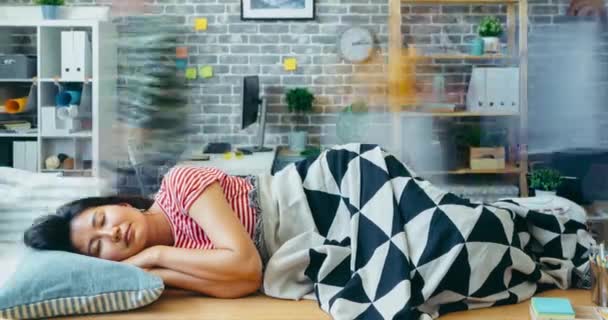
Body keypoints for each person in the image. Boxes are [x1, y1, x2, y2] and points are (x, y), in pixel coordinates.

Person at [24, 166, 264, 299]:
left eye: (103, 219)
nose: (111, 234)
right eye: (97, 247)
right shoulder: (163, 268)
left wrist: (156, 255)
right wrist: (161, 274)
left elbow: (246, 265)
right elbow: (246, 284)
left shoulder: (179, 184)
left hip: (298, 200)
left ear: (121, 205)